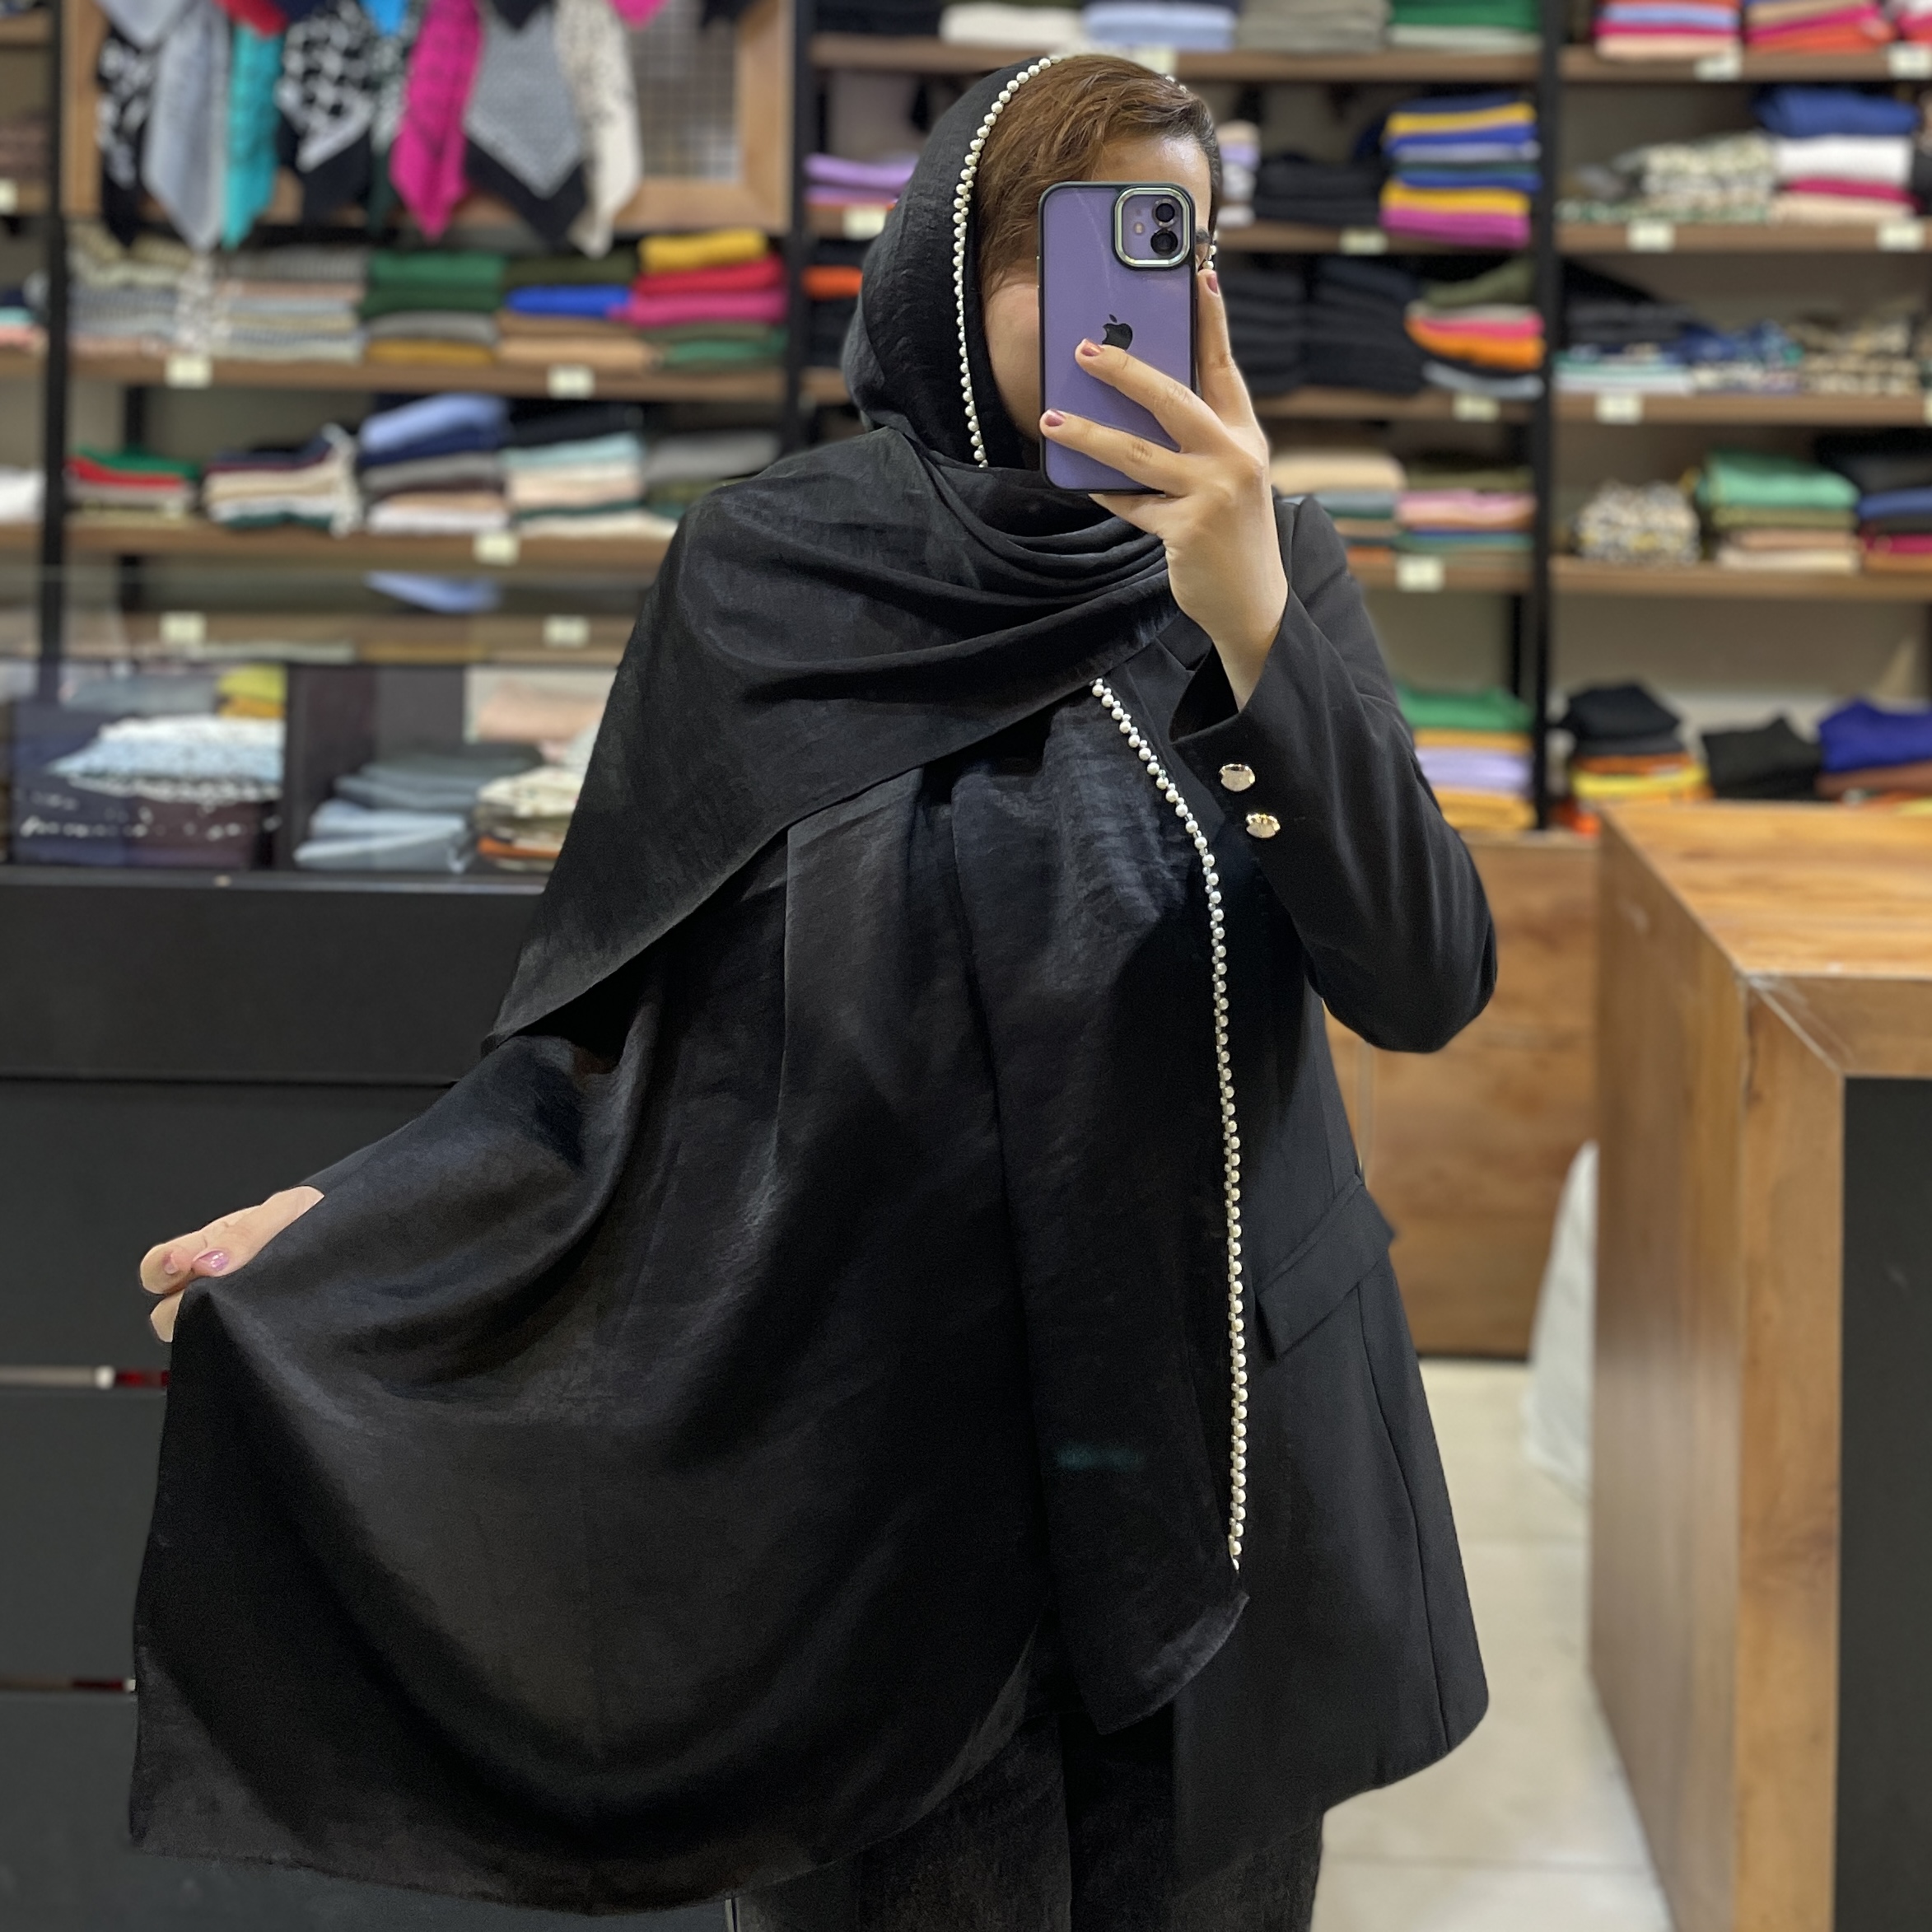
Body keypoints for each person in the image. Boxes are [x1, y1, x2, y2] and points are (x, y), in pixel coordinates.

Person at [131, 54, 1495, 1932]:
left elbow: (1423, 977)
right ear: (946, 270)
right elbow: (611, 1039)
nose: (1154, 299)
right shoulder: (767, 582)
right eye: (1093, 245)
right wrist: (355, 1227)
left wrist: (1250, 617)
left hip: (1222, 1461)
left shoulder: (1265, 573)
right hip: (881, 1488)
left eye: (1186, 246)